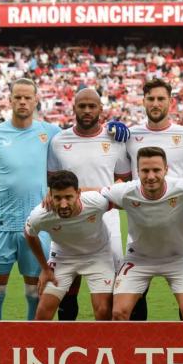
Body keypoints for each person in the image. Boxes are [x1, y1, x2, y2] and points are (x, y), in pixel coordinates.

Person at [124, 78, 183, 320]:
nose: (156, 104)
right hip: (140, 229)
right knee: (134, 301)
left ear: (171, 102)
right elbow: (119, 175)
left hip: (179, 232)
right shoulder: (129, 135)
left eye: (161, 99)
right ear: (143, 101)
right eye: (151, 99)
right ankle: (136, 353)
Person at [0, 78, 60, 320]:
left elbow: (79, 141)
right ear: (9, 100)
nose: (22, 101)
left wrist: (110, 127)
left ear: (36, 100)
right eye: (17, 97)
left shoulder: (50, 133)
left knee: (34, 293)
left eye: (28, 97)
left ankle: (30, 348)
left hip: (35, 227)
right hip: (0, 226)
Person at [47, 88, 131, 321]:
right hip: (67, 221)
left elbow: (124, 178)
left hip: (107, 222)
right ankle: (68, 341)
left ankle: (108, 344)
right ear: (73, 108)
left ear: (100, 109)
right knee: (67, 288)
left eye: (91, 106)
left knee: (110, 291)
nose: (86, 111)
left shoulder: (115, 140)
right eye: (81, 106)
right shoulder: (59, 140)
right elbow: (52, 181)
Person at [102, 147, 183, 321]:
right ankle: (129, 348)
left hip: (179, 258)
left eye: (156, 170)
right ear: (137, 171)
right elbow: (95, 194)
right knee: (118, 313)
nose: (150, 176)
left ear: (166, 169)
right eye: (145, 171)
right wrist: (62, 192)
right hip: (139, 259)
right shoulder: (125, 191)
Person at [24, 170, 115, 321]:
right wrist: (45, 269)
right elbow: (29, 233)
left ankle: (103, 344)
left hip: (98, 256)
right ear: (50, 195)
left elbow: (119, 196)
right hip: (62, 258)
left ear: (79, 193)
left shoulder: (97, 202)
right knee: (42, 314)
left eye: (68, 197)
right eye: (57, 198)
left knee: (103, 311)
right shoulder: (40, 214)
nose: (63, 204)